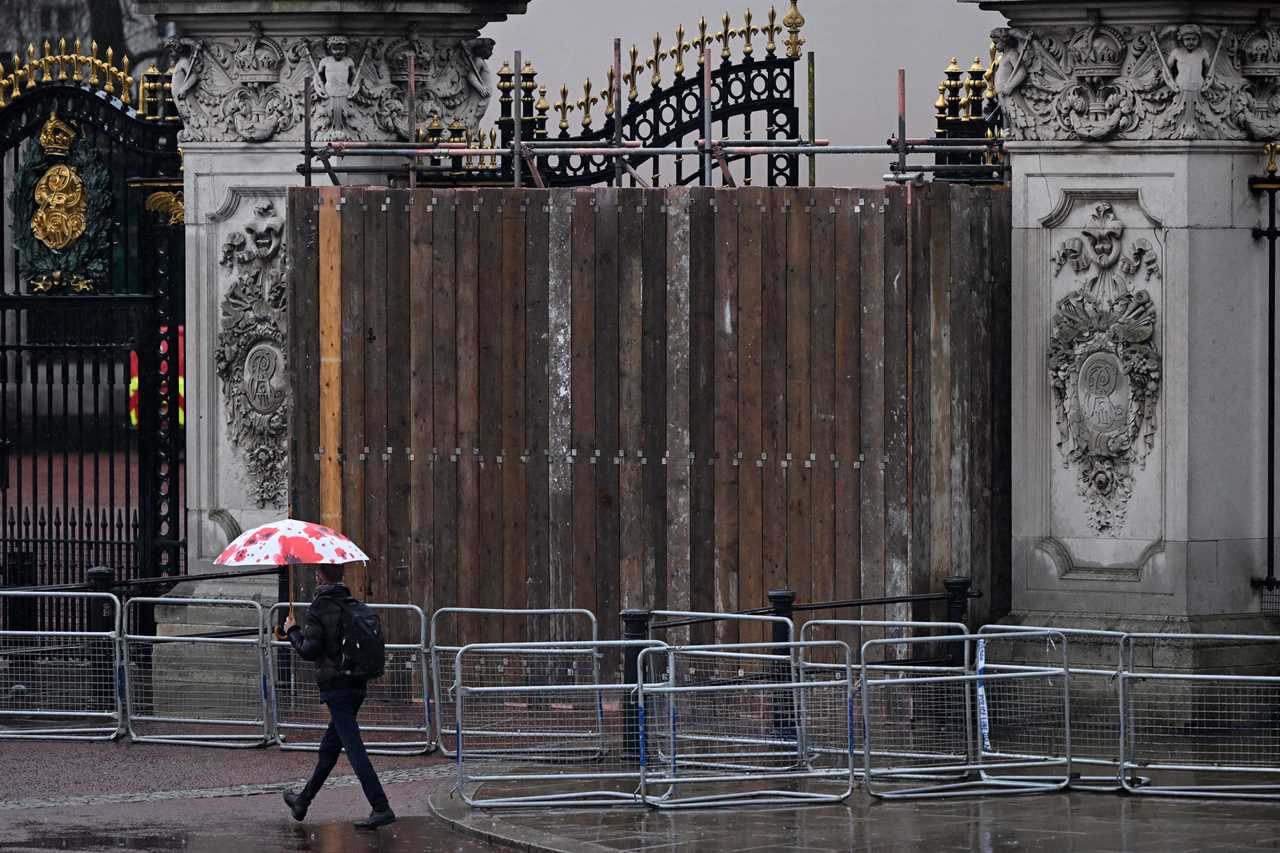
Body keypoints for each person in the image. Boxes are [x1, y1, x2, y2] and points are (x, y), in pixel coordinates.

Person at [280, 564, 395, 829]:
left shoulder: (320, 607)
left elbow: (309, 650)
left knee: (354, 749)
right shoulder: (352, 603)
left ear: (320, 576)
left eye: (317, 574)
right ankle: (303, 801)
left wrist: (292, 630)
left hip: (336, 686)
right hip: (357, 683)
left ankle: (381, 807)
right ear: (341, 576)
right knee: (330, 749)